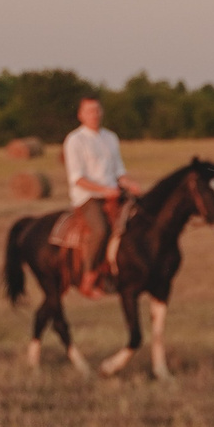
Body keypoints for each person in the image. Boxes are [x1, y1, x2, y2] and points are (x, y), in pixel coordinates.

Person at [56, 96, 140, 292]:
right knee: (100, 229)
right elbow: (77, 178)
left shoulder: (110, 137)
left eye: (97, 110)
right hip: (87, 197)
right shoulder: (75, 140)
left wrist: (130, 184)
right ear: (80, 115)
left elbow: (119, 171)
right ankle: (89, 275)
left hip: (114, 192)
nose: (94, 114)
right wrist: (104, 190)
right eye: (89, 111)